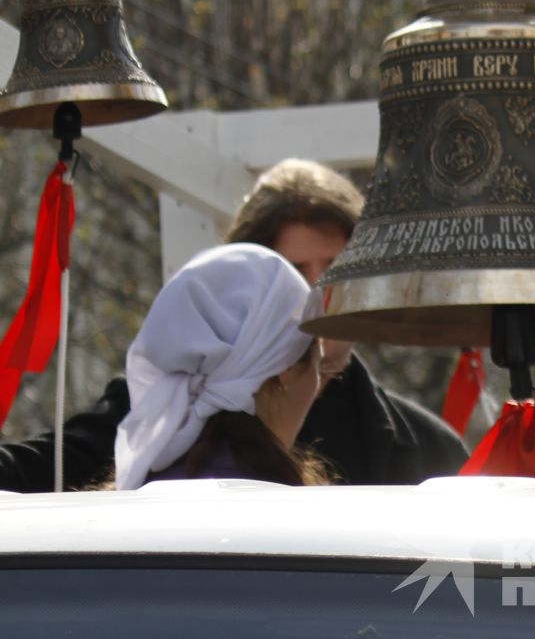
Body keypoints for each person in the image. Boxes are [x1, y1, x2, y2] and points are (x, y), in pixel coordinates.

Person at [0, 159, 465, 491]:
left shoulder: (429, 448)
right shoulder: (156, 408)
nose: (316, 294)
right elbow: (27, 472)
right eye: (292, 272)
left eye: (335, 268)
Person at [113, 244, 324, 488]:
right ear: (285, 372)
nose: (317, 386)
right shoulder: (294, 514)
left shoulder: (131, 492)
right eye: (320, 366)